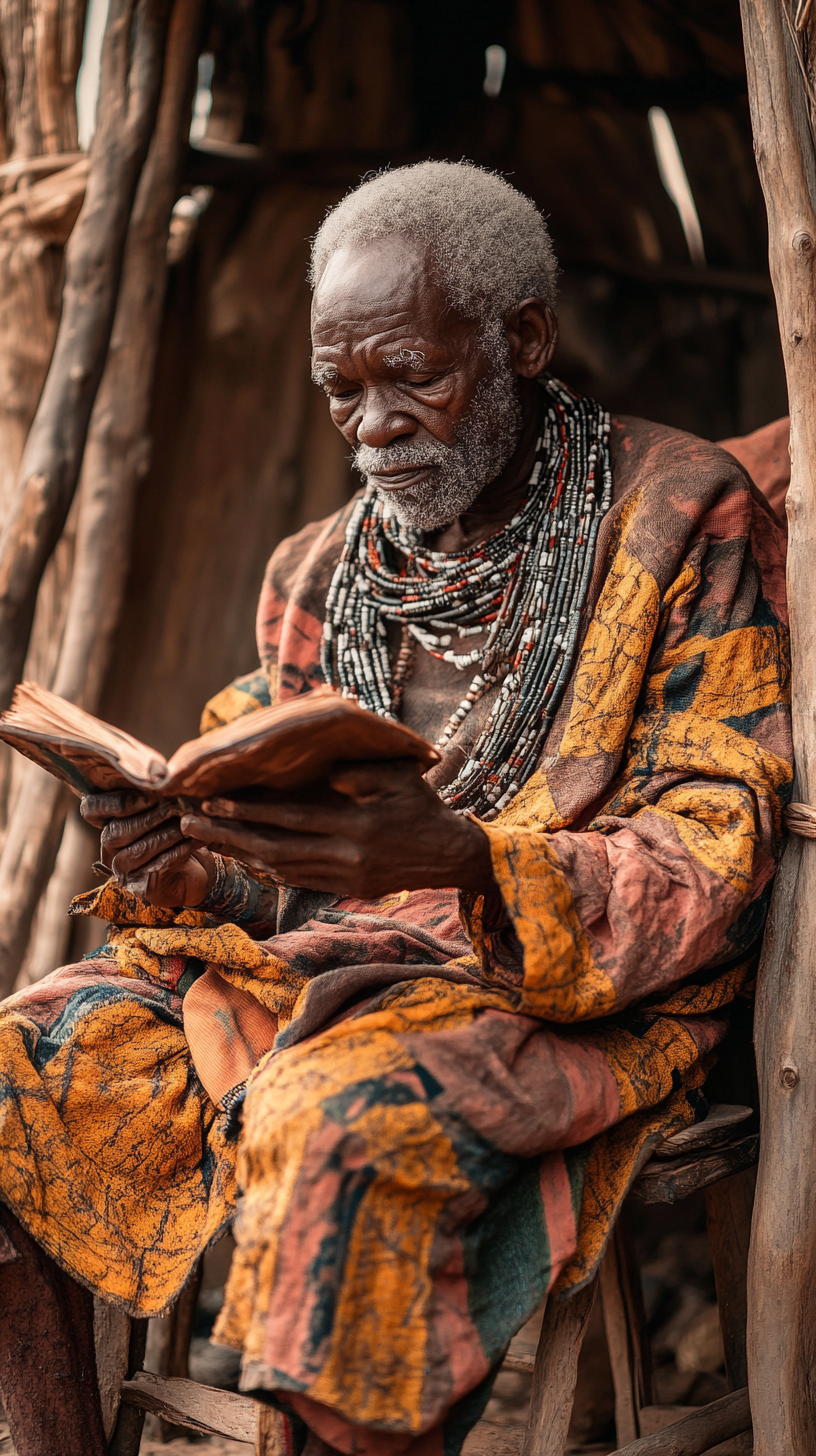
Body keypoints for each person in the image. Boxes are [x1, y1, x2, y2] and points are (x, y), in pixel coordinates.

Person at [0, 162, 792, 1456]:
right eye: (341, 391)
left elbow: (716, 841)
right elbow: (281, 865)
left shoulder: (678, 518)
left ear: (522, 339)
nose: (371, 427)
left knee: (338, 1136)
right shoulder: (321, 569)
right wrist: (184, 855)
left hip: (565, 992)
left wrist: (476, 866)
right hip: (325, 964)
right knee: (16, 1065)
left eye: (410, 375)